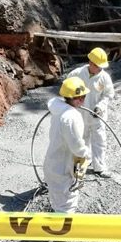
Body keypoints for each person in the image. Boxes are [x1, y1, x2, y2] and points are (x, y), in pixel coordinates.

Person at [44, 76, 91, 214]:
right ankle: (62, 233)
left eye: (83, 96)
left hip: (52, 163)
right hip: (63, 168)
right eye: (81, 97)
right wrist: (86, 154)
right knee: (66, 206)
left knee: (57, 201)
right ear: (75, 98)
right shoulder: (71, 117)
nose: (83, 100)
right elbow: (76, 146)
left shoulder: (58, 108)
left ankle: (55, 227)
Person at [67, 48, 115, 178]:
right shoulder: (76, 74)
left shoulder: (104, 78)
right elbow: (67, 88)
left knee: (99, 140)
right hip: (81, 115)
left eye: (101, 67)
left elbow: (108, 95)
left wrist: (101, 106)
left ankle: (99, 167)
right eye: (98, 66)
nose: (100, 69)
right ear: (91, 63)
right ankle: (82, 164)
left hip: (97, 116)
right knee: (81, 140)